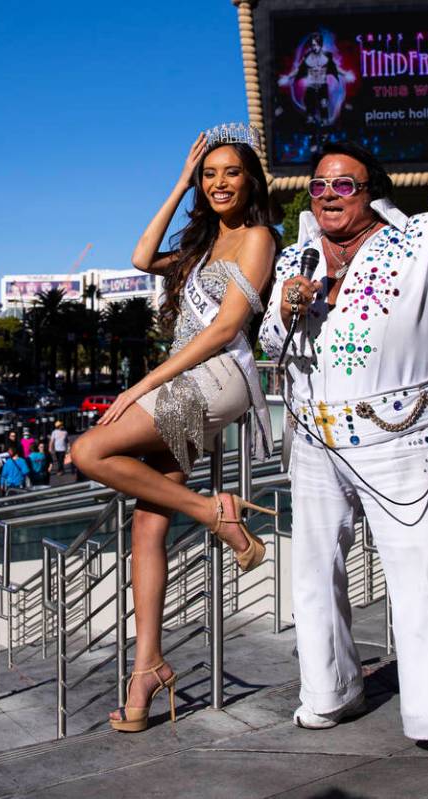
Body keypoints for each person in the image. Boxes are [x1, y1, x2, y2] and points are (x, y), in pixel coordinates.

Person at [258, 89, 428, 783]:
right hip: (313, 440)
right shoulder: (294, 262)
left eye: (344, 184)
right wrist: (281, 311)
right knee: (311, 573)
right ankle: (331, 690)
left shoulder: (421, 240)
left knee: (427, 579)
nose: (329, 194)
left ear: (371, 193)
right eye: (318, 185)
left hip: (401, 438)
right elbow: (269, 343)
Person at [70, 129, 277, 735]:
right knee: (145, 526)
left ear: (250, 181)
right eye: (208, 174)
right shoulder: (203, 246)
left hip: (216, 377)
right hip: (182, 381)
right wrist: (177, 185)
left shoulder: (258, 239)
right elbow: (140, 258)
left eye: (230, 172)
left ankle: (216, 514)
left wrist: (137, 388)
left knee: (89, 449)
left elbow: (222, 331)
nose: (219, 182)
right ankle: (148, 669)